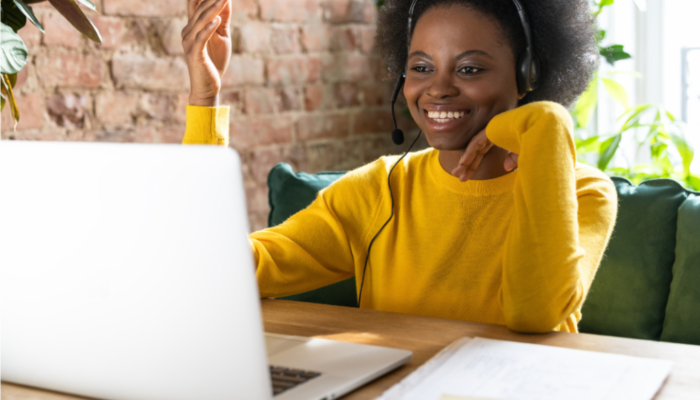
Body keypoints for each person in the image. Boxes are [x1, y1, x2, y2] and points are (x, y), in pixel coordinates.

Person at [180, 0, 618, 333]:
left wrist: (546, 122)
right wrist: (205, 98)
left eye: (468, 68)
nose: (438, 89)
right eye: (421, 67)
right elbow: (217, 269)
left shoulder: (584, 193)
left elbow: (534, 312)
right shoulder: (380, 189)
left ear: (528, 74)